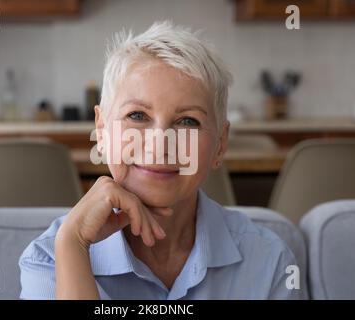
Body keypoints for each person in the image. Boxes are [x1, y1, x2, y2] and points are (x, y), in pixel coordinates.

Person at [19, 21, 300, 300]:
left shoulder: (269, 261)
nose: (159, 144)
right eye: (137, 116)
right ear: (102, 131)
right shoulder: (50, 259)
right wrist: (73, 245)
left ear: (220, 144)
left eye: (188, 121)